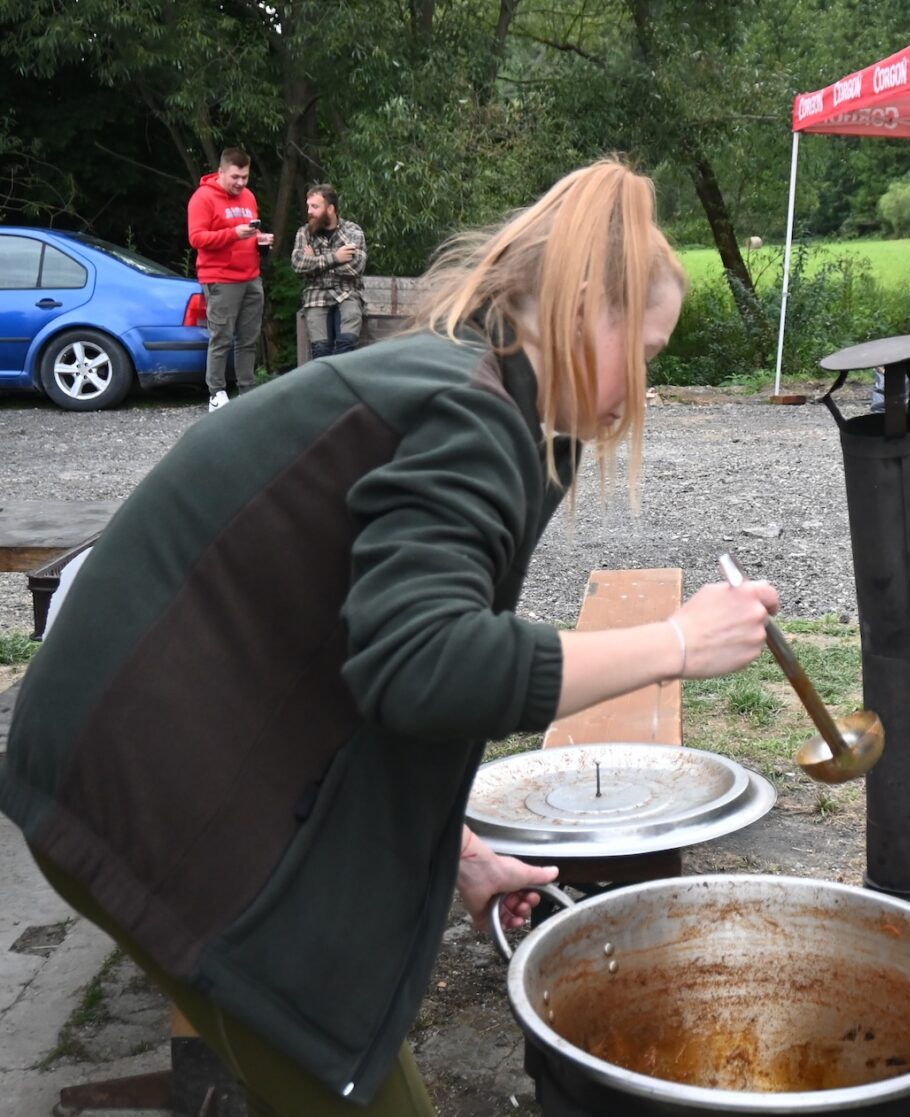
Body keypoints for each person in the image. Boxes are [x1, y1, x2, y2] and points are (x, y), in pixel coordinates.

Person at [0, 158, 780, 1117]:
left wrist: (462, 854)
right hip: (139, 785)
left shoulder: (471, 384)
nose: (641, 395)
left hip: (147, 751)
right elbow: (424, 663)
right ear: (584, 308)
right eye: (647, 352)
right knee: (335, 1063)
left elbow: (364, 640)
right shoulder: (471, 410)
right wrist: (677, 644)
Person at [189, 147, 272, 412]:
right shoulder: (202, 198)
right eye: (235, 177)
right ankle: (216, 393)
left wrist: (261, 242)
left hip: (251, 276)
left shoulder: (249, 197)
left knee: (248, 338)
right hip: (220, 278)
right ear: (221, 172)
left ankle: (247, 389)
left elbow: (249, 233)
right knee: (221, 337)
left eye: (245, 177)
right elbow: (197, 238)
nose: (240, 183)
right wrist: (233, 234)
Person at [291, 183, 368, 360]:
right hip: (315, 296)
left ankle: (340, 379)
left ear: (330, 209)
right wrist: (335, 257)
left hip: (347, 293)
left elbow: (355, 268)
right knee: (321, 350)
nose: (309, 211)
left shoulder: (353, 231)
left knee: (346, 344)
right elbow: (298, 265)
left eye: (315, 207)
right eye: (309, 206)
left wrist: (315, 262)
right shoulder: (304, 233)